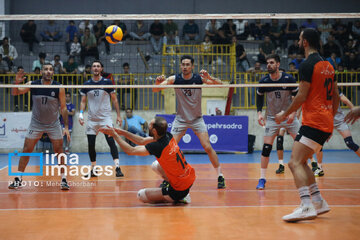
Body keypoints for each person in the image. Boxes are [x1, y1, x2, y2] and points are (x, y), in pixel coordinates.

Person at [275, 28, 340, 222]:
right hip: (325, 122)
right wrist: (330, 120)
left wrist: (284, 113)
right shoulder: (329, 65)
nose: (298, 40)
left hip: (314, 122)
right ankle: (319, 201)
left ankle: (305, 205)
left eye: (300, 38)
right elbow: (336, 98)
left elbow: (301, 96)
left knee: (294, 163)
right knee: (302, 162)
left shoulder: (307, 65)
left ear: (304, 42)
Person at [153, 55, 226, 189]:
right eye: (183, 64)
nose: (185, 67)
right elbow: (155, 89)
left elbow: (220, 84)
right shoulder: (174, 79)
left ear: (192, 66)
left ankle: (220, 176)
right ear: (180, 66)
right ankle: (167, 178)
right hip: (180, 119)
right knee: (167, 150)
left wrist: (209, 78)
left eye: (188, 64)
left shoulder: (199, 79)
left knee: (208, 147)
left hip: (197, 119)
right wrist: (158, 83)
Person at [99, 116, 194, 204]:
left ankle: (179, 197)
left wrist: (115, 135)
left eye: (150, 125)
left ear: (155, 131)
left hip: (179, 190)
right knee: (155, 165)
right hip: (189, 178)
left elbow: (131, 150)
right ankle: (171, 188)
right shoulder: (167, 136)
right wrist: (121, 132)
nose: (148, 126)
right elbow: (141, 141)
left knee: (141, 195)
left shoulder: (157, 146)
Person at [8, 63, 71, 190]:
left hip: (54, 124)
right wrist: (16, 82)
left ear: (53, 72)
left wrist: (65, 127)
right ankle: (18, 178)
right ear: (41, 71)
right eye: (46, 69)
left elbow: (63, 108)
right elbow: (15, 93)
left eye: (50, 70)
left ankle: (64, 179)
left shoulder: (59, 87)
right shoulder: (33, 84)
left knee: (60, 151)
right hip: (36, 123)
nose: (48, 71)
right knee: (26, 150)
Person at [256, 54, 299, 189]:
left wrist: (293, 113)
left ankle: (312, 170)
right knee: (266, 148)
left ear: (278, 64)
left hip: (289, 117)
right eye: (267, 63)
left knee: (303, 145)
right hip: (272, 119)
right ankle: (262, 179)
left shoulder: (288, 78)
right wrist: (259, 113)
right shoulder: (264, 81)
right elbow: (259, 97)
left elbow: (297, 97)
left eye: (272, 62)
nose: (268, 65)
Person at [78, 60, 124, 178]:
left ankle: (118, 168)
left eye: (98, 66)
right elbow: (83, 101)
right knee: (91, 145)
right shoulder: (87, 84)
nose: (96, 68)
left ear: (101, 69)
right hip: (92, 120)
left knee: (111, 142)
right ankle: (93, 169)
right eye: (94, 66)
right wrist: (81, 114)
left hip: (105, 119)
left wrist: (118, 115)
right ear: (91, 69)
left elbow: (115, 100)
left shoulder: (107, 82)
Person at [312, 92, 360, 177]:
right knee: (319, 145)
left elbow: (345, 100)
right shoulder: (317, 91)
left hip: (340, 121)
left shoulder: (333, 88)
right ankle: (320, 168)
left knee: (350, 143)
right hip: (326, 122)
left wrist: (353, 110)